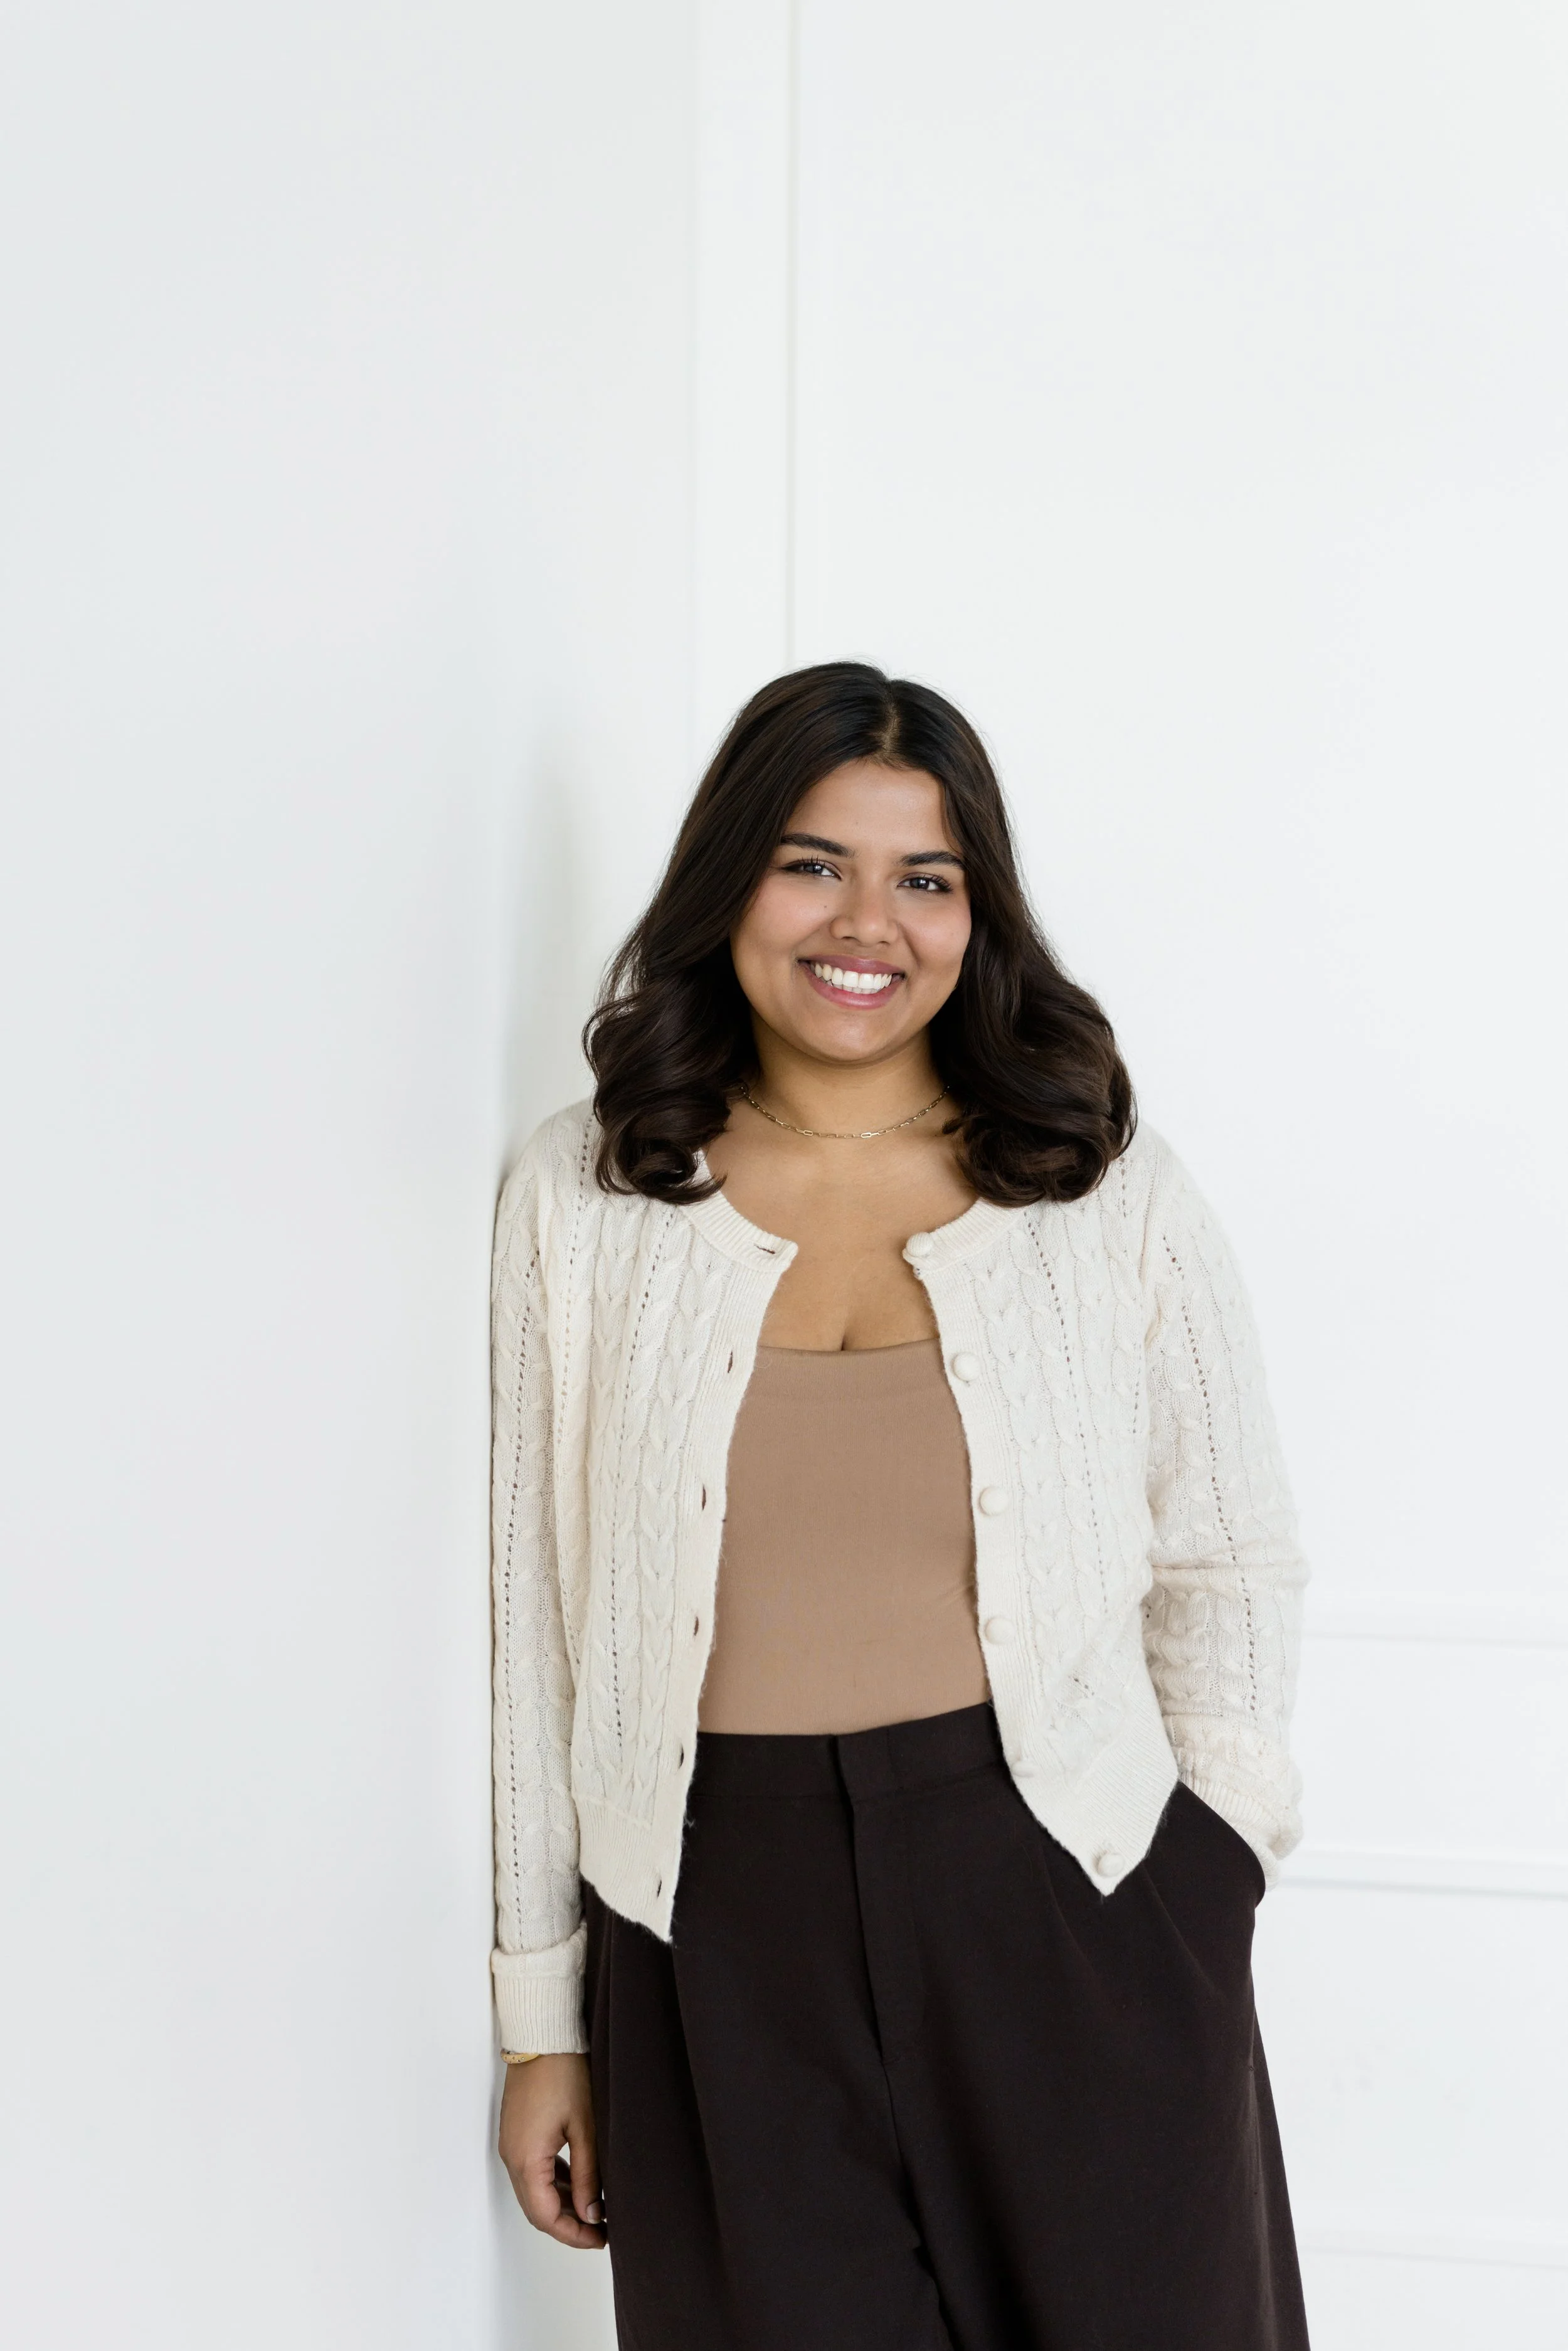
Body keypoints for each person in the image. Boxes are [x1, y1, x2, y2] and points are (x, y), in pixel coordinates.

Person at [490, 662, 1311, 2351]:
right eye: (812, 863)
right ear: (727, 879)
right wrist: (542, 2018)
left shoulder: (1099, 1185)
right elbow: (534, 1620)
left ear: (976, 911)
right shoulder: (589, 1191)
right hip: (715, 1921)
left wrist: (1205, 1871)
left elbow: (1226, 1557)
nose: (866, 923)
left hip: (1069, 1890)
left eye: (923, 878)